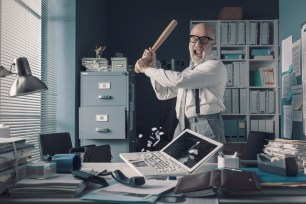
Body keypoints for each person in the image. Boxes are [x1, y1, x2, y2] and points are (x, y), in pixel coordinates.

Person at [134, 23, 227, 162]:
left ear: (212, 43)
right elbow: (163, 93)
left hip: (206, 125)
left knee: (207, 173)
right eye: (194, 39)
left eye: (204, 40)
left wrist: (145, 70)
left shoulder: (215, 66)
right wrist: (152, 66)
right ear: (189, 42)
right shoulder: (188, 72)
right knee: (175, 168)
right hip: (183, 124)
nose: (198, 44)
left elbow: (178, 80)